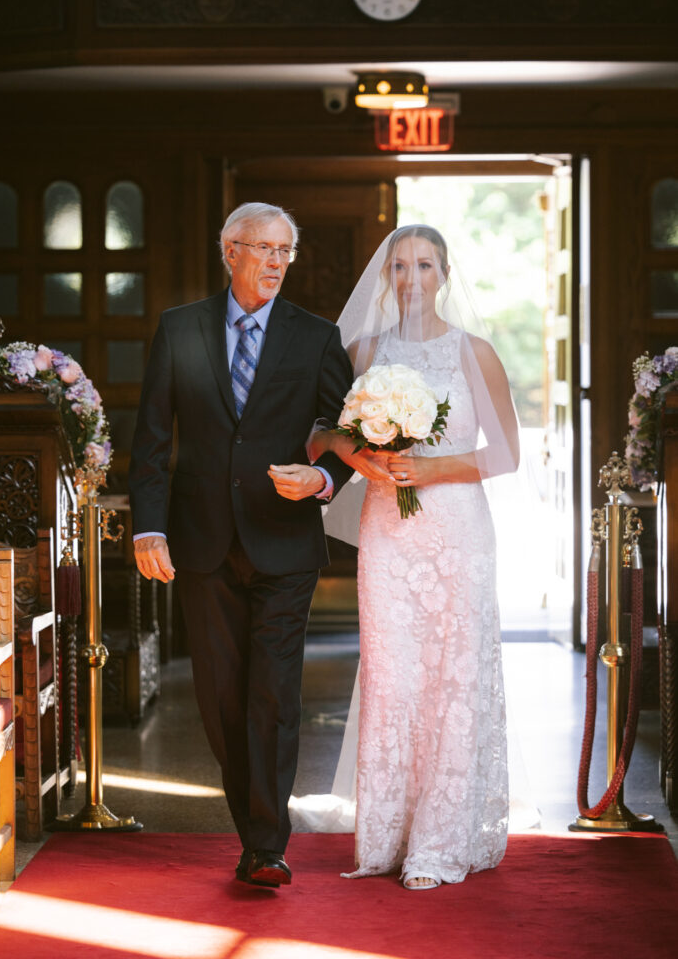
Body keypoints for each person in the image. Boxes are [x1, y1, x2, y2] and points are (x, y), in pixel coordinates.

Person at [128, 202, 353, 889]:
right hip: (200, 543)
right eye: (263, 248)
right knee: (223, 697)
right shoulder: (179, 329)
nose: (277, 261)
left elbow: (350, 431)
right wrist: (149, 526)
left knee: (274, 695)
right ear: (229, 251)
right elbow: (152, 440)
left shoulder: (315, 337)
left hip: (284, 542)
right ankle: (251, 825)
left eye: (286, 249)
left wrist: (320, 476)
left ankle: (265, 844)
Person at [306, 224, 520, 890]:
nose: (410, 278)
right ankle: (387, 836)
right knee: (393, 676)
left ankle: (439, 841)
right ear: (386, 276)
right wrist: (361, 457)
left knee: (453, 677)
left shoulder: (473, 352)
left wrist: (433, 470)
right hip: (389, 532)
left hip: (457, 531)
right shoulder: (362, 349)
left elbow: (505, 454)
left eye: (424, 265)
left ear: (444, 273)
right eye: (399, 266)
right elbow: (317, 431)